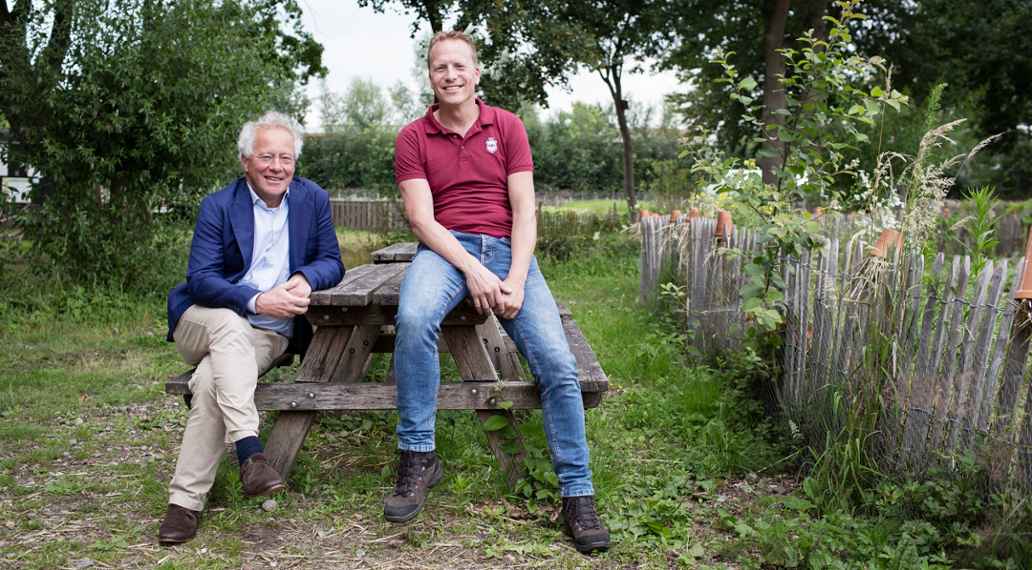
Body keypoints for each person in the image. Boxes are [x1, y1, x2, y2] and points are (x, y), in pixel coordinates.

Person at [387, 31, 610, 554]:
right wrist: (473, 271)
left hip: (511, 250)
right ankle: (418, 455)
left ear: (477, 72)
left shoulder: (507, 126)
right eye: (440, 67)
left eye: (459, 66)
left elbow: (525, 210)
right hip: (446, 250)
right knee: (415, 317)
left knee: (558, 362)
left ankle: (577, 494)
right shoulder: (412, 137)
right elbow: (422, 219)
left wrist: (513, 276)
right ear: (430, 76)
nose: (450, 75)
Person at [158, 111, 344, 546]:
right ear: (246, 161)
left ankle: (184, 504)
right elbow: (201, 279)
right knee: (226, 324)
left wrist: (305, 278)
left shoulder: (312, 199)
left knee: (208, 383)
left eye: (286, 157)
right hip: (202, 321)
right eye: (266, 157)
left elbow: (332, 261)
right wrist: (257, 299)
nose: (277, 167)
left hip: (266, 334)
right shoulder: (219, 206)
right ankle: (249, 450)